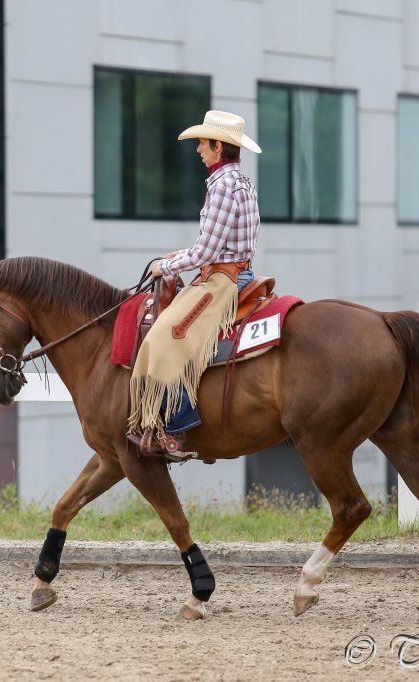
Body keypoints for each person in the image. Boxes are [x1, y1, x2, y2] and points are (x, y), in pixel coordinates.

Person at [127, 110, 262, 457]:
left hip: (222, 281)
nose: (198, 149)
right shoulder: (241, 180)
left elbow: (205, 253)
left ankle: (176, 428)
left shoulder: (222, 186)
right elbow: (214, 246)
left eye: (203, 143)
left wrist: (164, 266)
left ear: (218, 146)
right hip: (234, 270)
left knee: (165, 337)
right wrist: (180, 255)